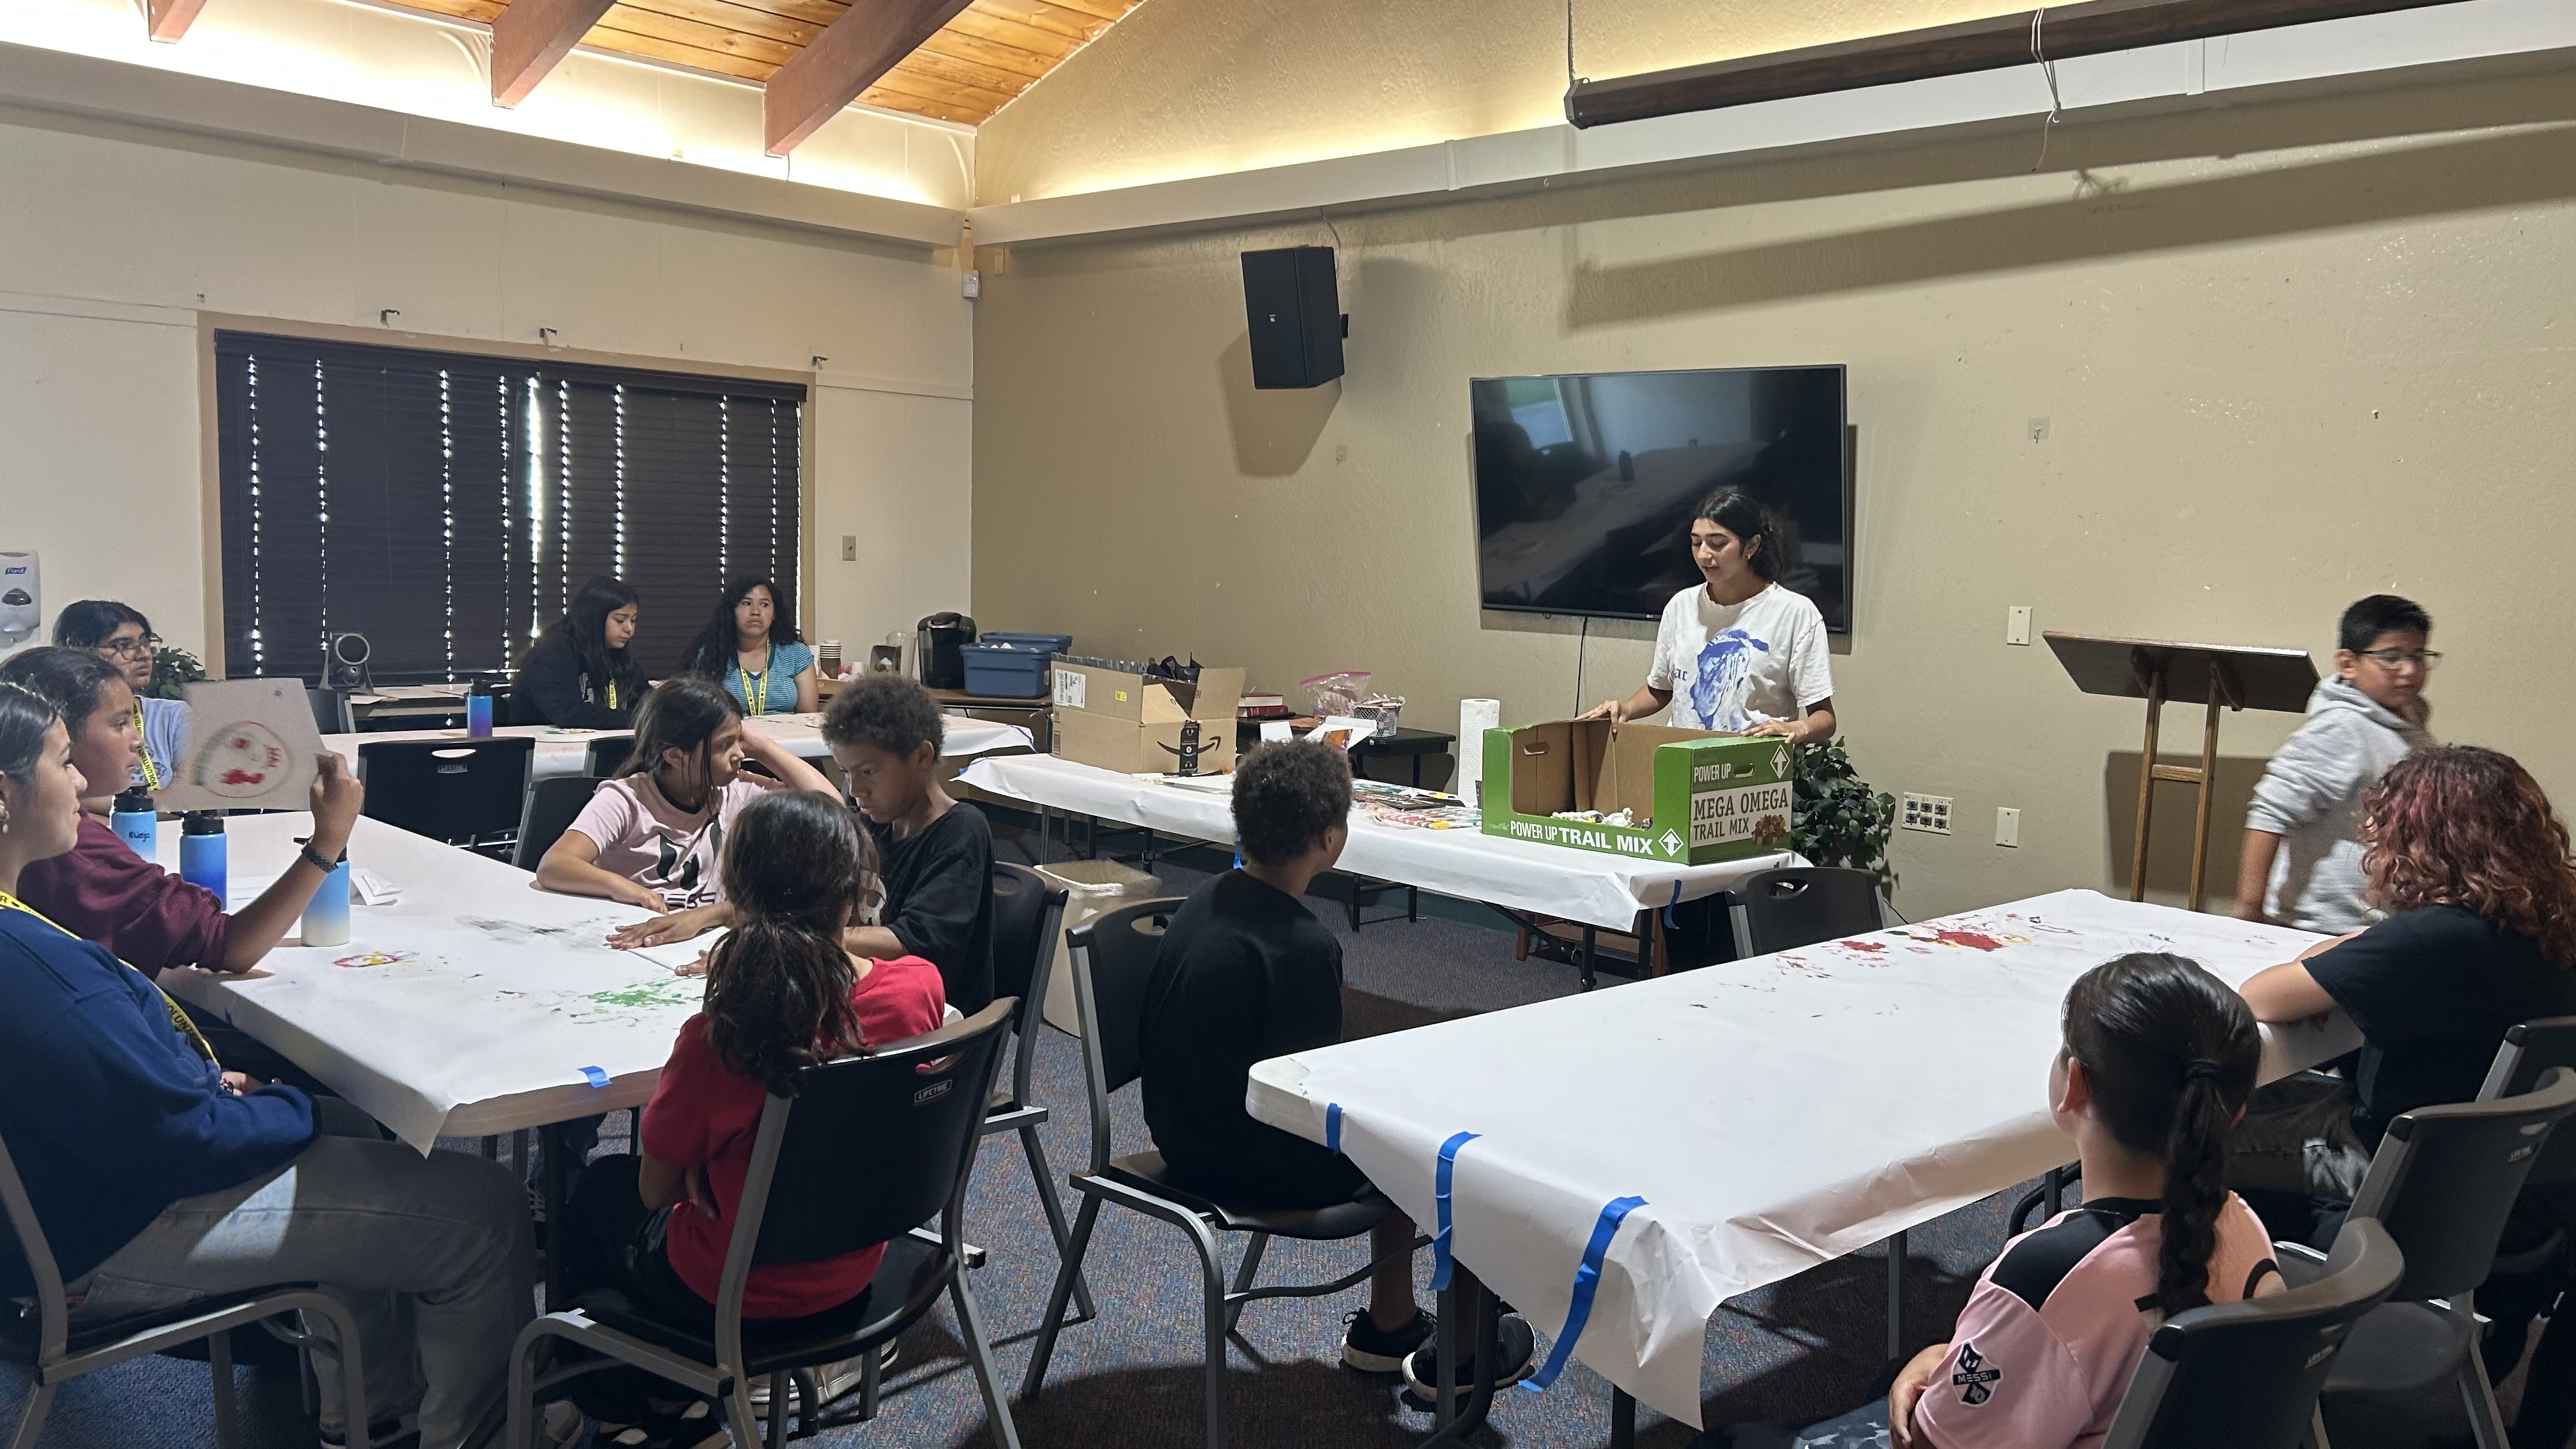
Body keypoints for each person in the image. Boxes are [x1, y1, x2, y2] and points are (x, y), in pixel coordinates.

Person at [0, 682, 564, 1449]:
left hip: (70, 1193)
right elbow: (182, 1139)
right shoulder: (34, 967)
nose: (78, 784)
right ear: (5, 798)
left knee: (356, 1130)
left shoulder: (24, 930)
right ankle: (484, 1435)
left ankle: (374, 1411)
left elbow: (124, 1092)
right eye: (63, 763)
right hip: (102, 1234)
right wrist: (274, 1106)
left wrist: (220, 1094)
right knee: (488, 1212)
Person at [1721, 953, 2277, 1449]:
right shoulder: (2245, 1225)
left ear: (2073, 1085)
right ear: (2236, 1112)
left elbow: (1933, 1440)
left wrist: (1937, 1368)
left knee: (1733, 1439)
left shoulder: (2044, 1277)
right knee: (1897, 1370)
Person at [1138, 741, 1533, 1399]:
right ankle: (1464, 1353)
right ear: (1330, 839)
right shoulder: (1303, 947)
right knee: (1451, 1144)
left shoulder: (1205, 900)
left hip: (1179, 1134)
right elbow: (1312, 1101)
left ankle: (1392, 1323)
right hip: (1247, 1161)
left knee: (1400, 1118)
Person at [558, 790, 944, 1437]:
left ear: (738, 897)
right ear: (853, 893)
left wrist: (698, 1167)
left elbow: (655, 1190)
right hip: (862, 1260)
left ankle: (621, 1404)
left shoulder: (724, 1036)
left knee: (599, 1190)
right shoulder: (917, 989)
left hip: (735, 1286)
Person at [2237, 744, 2576, 1240]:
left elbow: (2261, 996)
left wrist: (2357, 942)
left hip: (2397, 1161)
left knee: (2182, 1138)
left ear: (2422, 841)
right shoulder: (2548, 921)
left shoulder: (2431, 938)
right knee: (2245, 1097)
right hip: (2502, 1174)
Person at [606, 676, 995, 1014]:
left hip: (933, 1026)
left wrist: (776, 945)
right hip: (864, 999)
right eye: (846, 773)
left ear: (922, 757)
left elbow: (909, 942)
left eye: (869, 772)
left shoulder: (961, 831)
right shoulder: (876, 822)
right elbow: (805, 897)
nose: (856, 790)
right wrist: (711, 915)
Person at [4, 647, 364, 979]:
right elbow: (231, 947)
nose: (138, 739)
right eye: (119, 724)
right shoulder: (73, 849)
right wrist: (327, 842)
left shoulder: (34, 828)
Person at [536, 677, 834, 912]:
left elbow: (830, 809)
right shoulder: (626, 800)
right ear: (676, 756)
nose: (739, 754)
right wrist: (623, 888)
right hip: (643, 938)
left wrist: (764, 747)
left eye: (739, 741)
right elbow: (555, 865)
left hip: (705, 939)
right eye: (724, 745)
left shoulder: (735, 790)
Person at [2232, 594, 2434, 933]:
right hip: (2320, 925)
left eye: (2418, 656)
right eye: (2391, 658)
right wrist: (2250, 909)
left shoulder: (2407, 727)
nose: (2410, 670)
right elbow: (2270, 813)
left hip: (2374, 924)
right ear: (2347, 664)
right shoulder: (2340, 729)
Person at [1581, 487, 1836, 742]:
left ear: (1752, 546)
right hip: (1683, 758)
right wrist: (1626, 710)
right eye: (1696, 543)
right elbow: (1661, 689)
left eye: (1717, 544)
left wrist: (1798, 728)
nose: (1703, 554)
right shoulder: (1681, 606)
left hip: (1752, 768)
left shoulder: (1795, 614)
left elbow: (1824, 718)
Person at [51, 599, 188, 792]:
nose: (145, 655)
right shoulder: (53, 722)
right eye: (124, 645)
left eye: (145, 643)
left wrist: (87, 803)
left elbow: (191, 800)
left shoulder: (172, 715)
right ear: (78, 650)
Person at [516, 575, 649, 729]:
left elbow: (644, 699)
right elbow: (571, 714)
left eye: (633, 620)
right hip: (542, 748)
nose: (629, 629)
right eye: (620, 620)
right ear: (595, 618)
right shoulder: (555, 651)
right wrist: (642, 720)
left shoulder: (616, 651)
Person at [678, 577, 816, 717]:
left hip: (788, 736)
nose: (755, 612)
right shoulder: (710, 655)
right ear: (732, 611)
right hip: (732, 736)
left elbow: (808, 716)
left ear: (775, 614)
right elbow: (699, 714)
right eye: (746, 603)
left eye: (764, 605)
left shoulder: (796, 653)